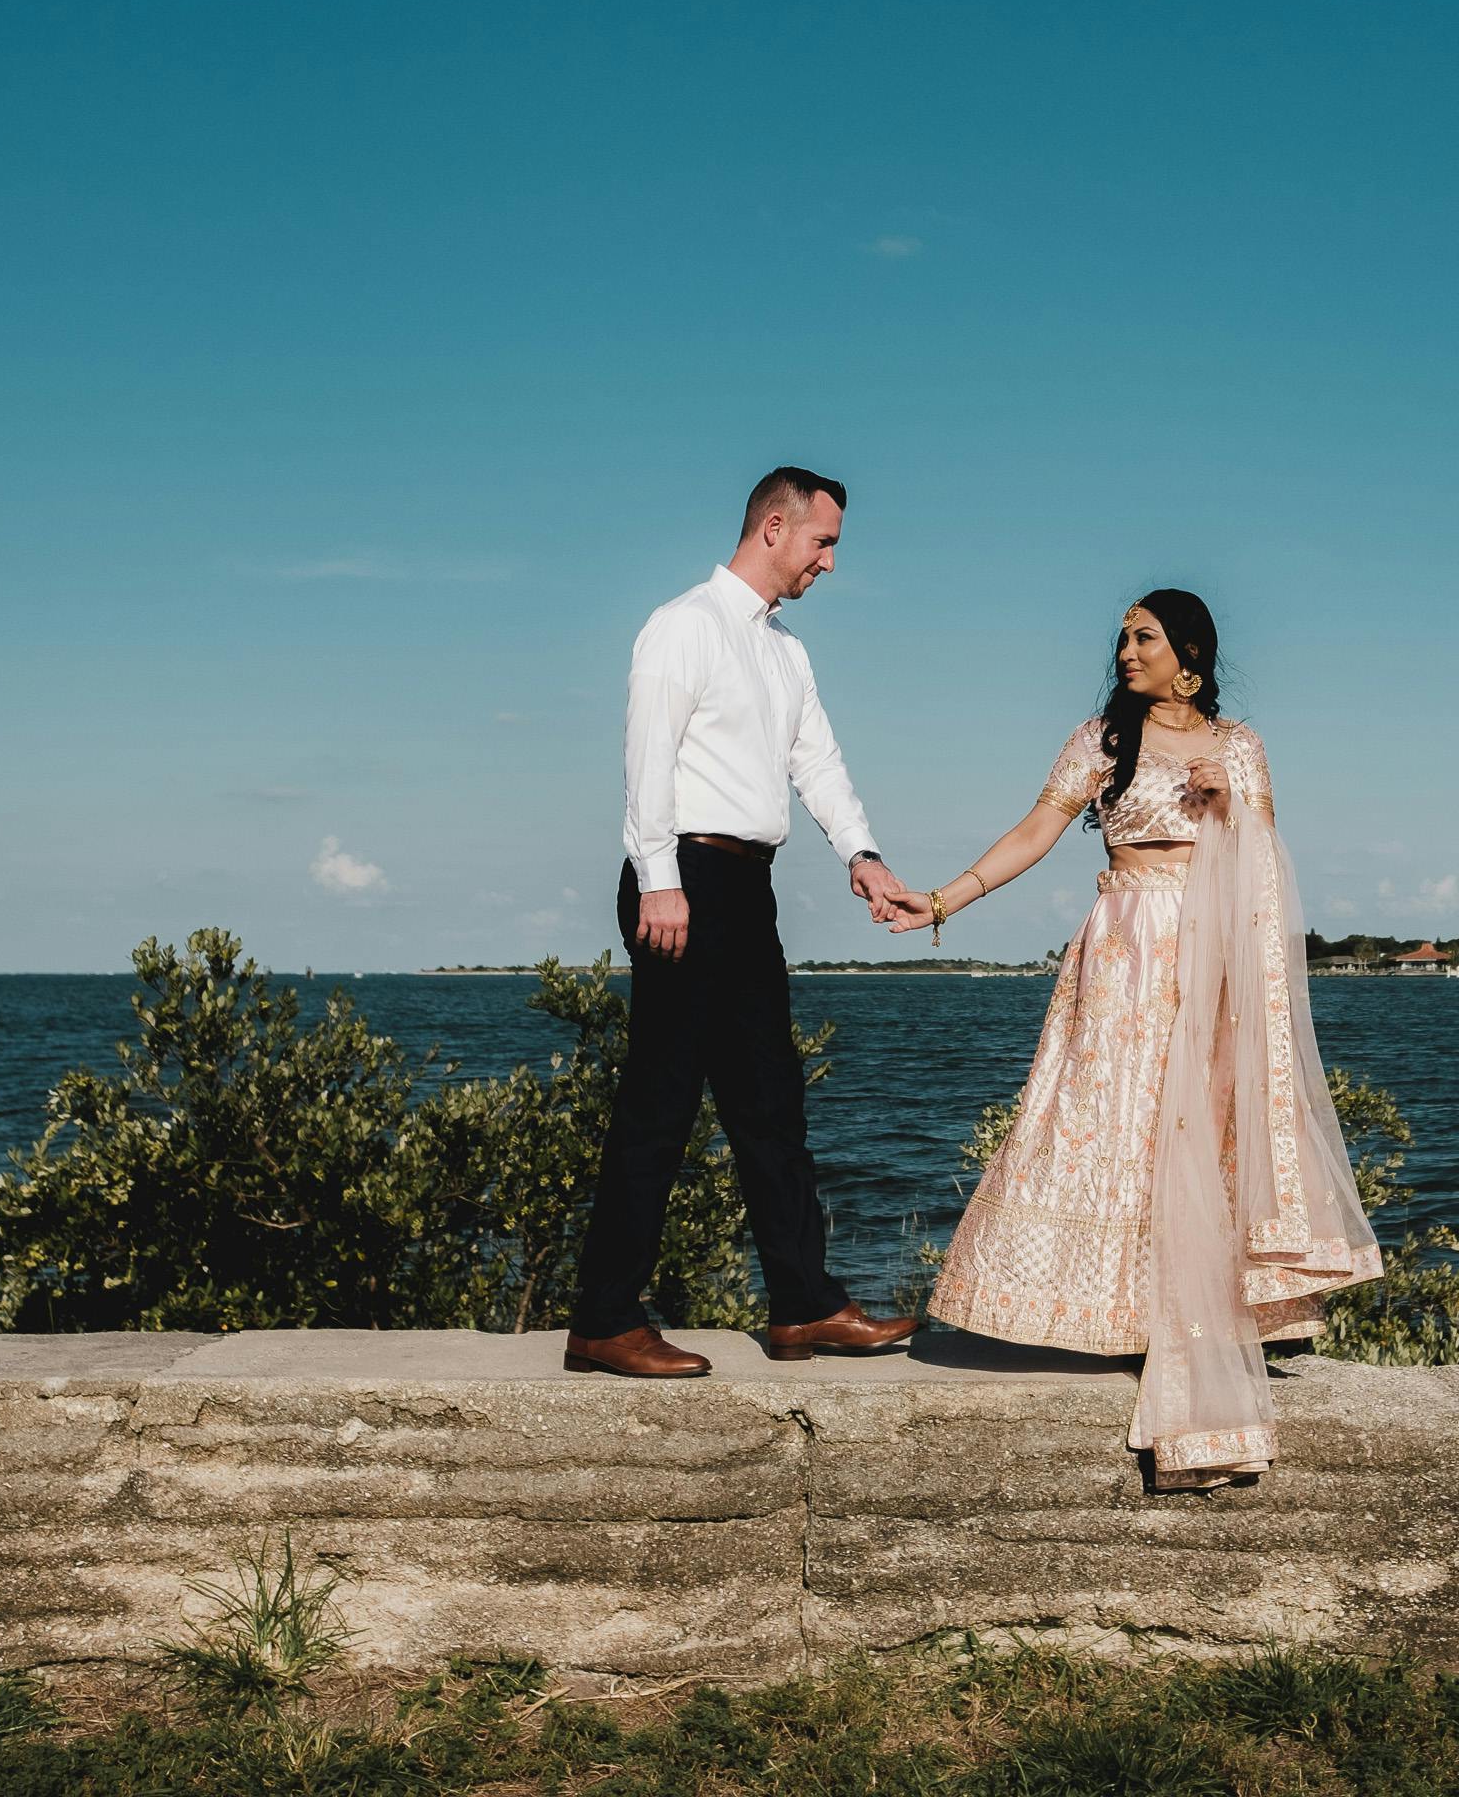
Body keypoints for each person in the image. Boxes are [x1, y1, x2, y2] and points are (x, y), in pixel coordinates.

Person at [880, 589, 1383, 1487]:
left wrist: (1234, 810)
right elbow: (1038, 829)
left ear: (1188, 655)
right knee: (1106, 1118)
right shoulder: (1100, 741)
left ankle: (1197, 1315)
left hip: (1210, 954)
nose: (1124, 651)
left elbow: (1269, 866)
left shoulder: (1240, 747)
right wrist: (944, 900)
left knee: (1200, 1130)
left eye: (1142, 637)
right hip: (1121, 951)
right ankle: (1106, 1316)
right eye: (1120, 637)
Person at [566, 467, 924, 1378]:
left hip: (746, 888)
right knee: (661, 1101)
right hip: (679, 876)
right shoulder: (681, 626)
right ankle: (604, 1319)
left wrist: (863, 854)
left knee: (771, 1102)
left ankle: (802, 1305)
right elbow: (644, 758)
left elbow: (820, 761)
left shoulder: (787, 652)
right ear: (775, 527)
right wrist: (656, 878)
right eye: (823, 542)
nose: (830, 563)